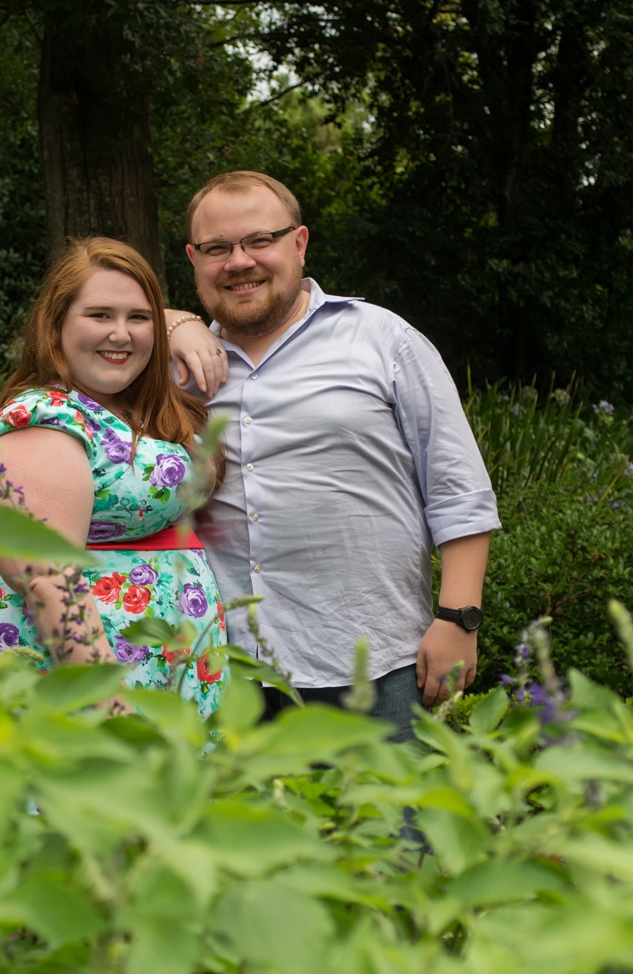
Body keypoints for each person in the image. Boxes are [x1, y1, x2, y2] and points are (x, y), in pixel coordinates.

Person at [179, 170, 501, 736]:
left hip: (375, 667)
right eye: (217, 248)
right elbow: (77, 338)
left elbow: (457, 489)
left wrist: (459, 619)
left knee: (391, 824)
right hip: (225, 674)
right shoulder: (176, 370)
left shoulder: (383, 340)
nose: (239, 262)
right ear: (193, 258)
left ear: (298, 243)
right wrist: (171, 321)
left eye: (259, 241)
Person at [0, 237, 231, 714]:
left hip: (161, 674)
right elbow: (49, 579)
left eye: (138, 318)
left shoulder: (136, 408)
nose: (121, 334)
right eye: (99, 316)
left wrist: (182, 322)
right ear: (57, 323)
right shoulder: (45, 418)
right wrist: (109, 708)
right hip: (74, 685)